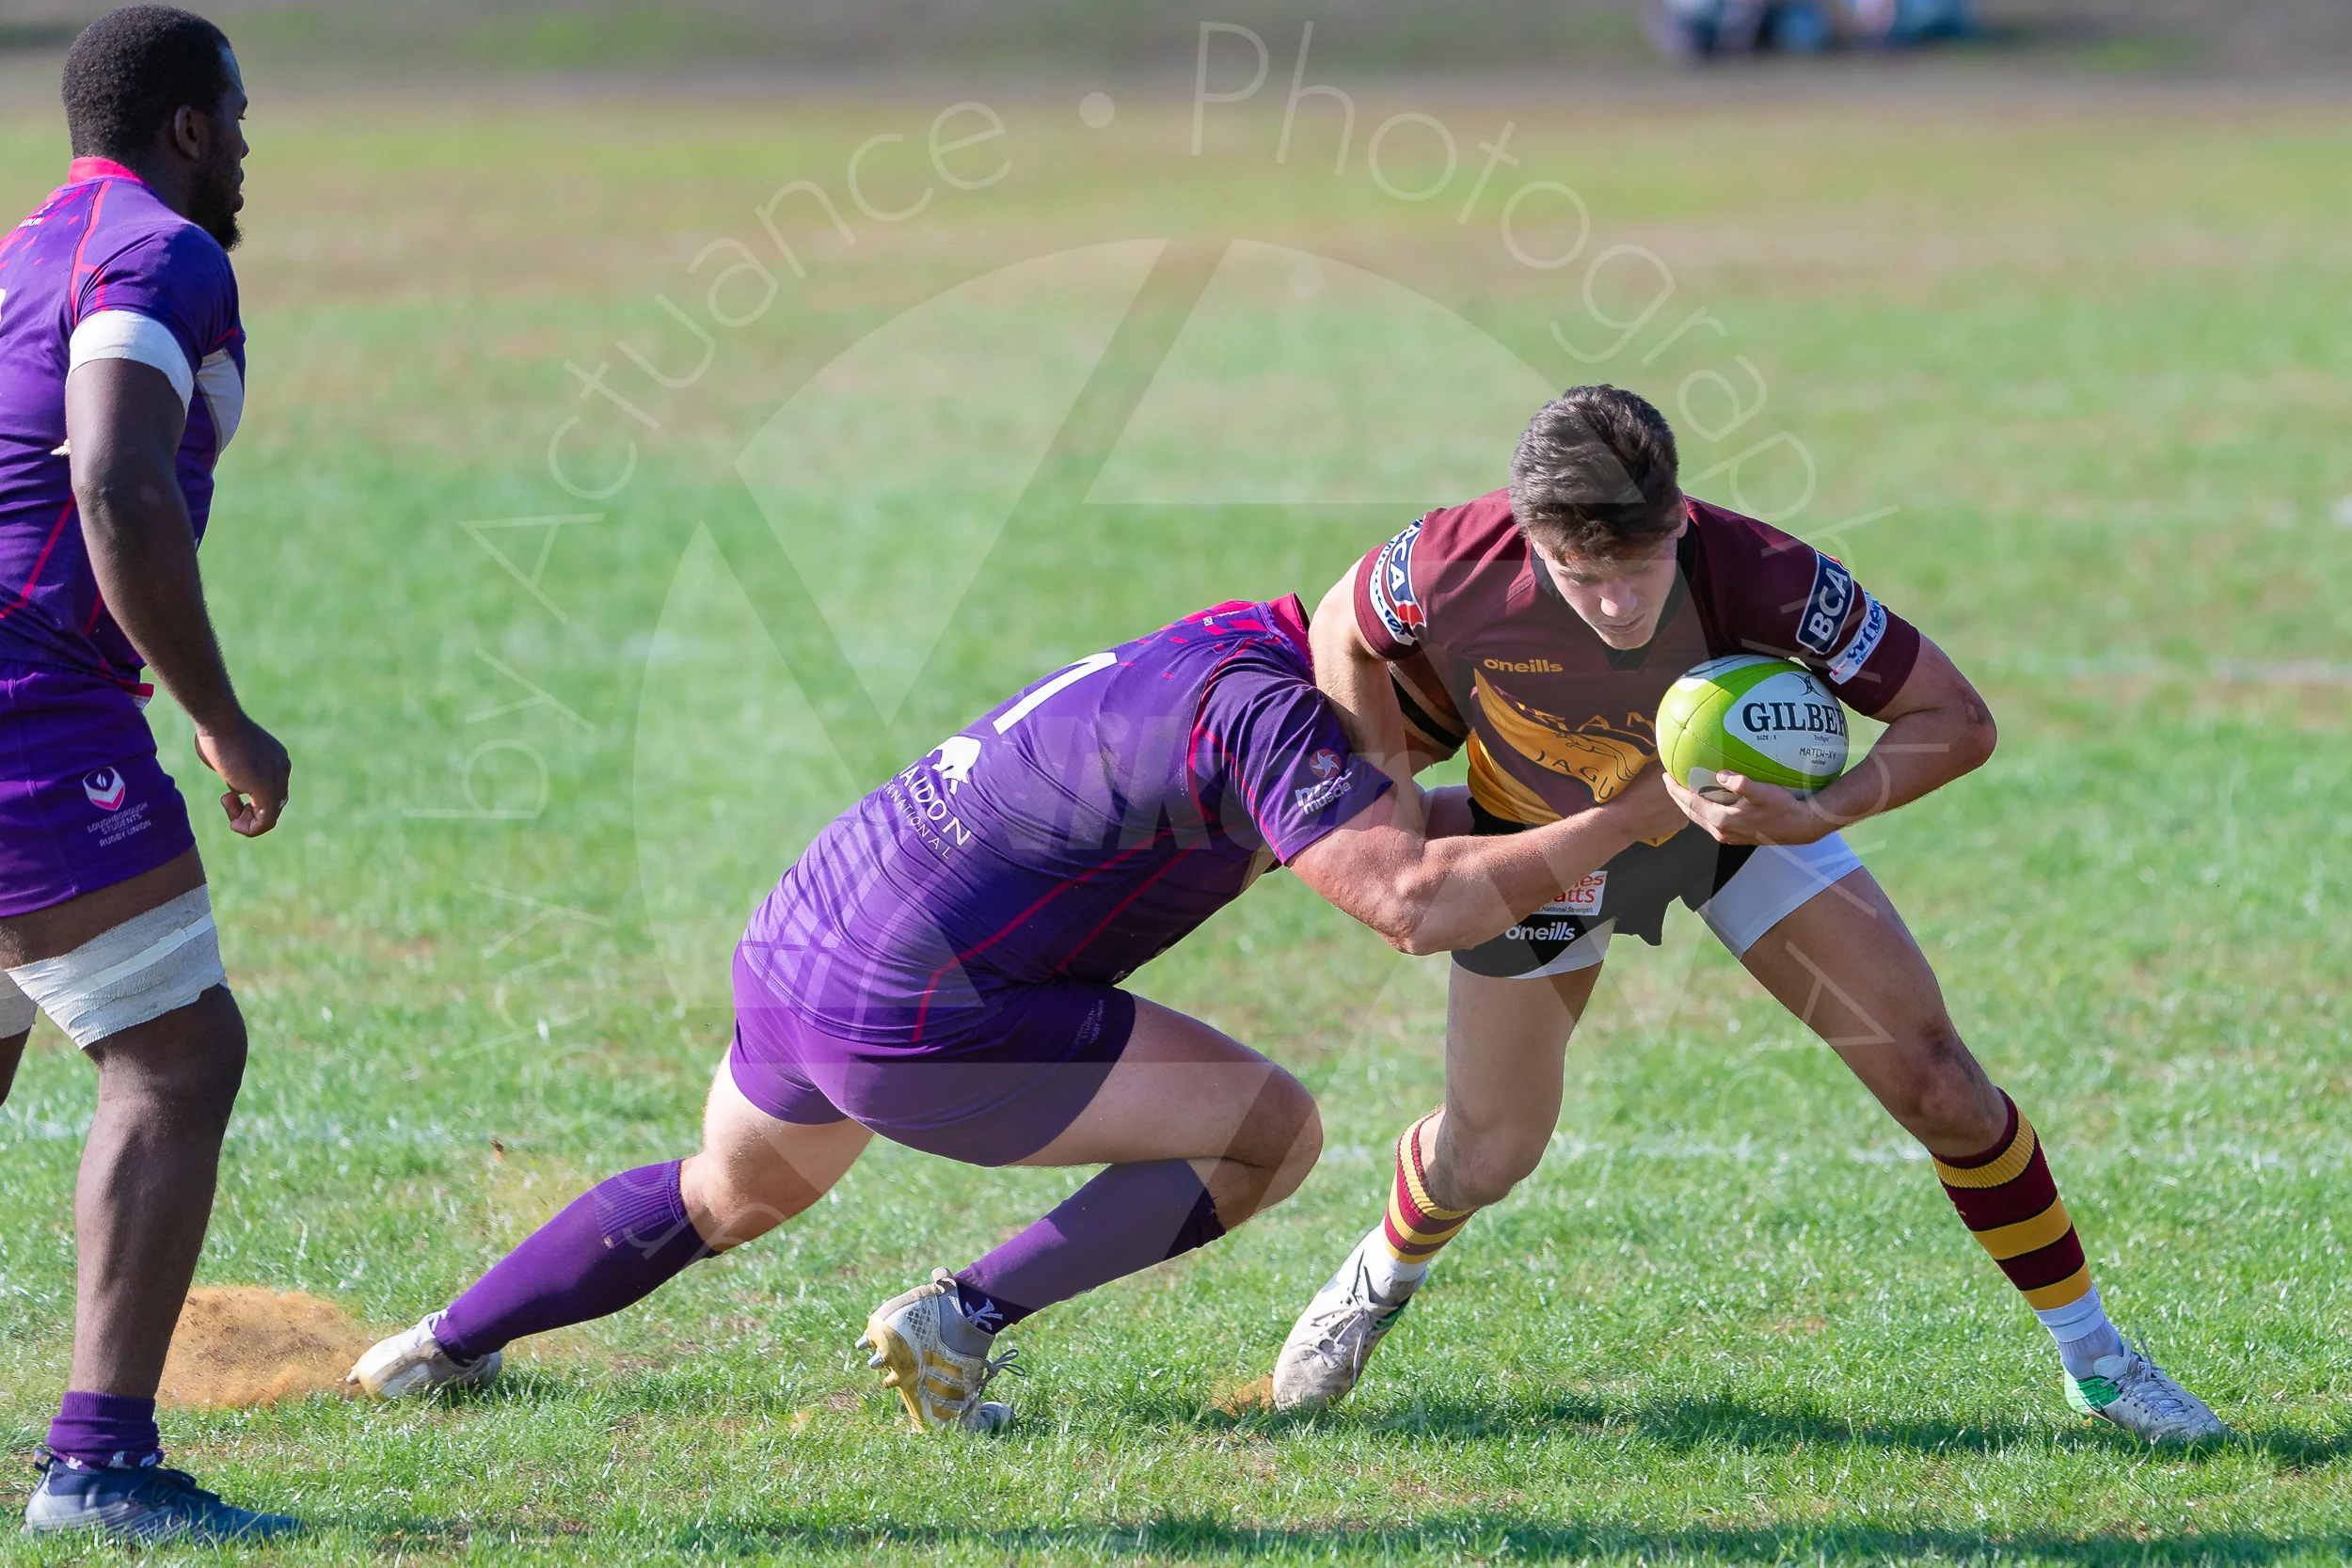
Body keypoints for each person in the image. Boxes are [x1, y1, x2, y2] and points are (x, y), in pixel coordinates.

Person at [350, 594, 1686, 1431]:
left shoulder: (1245, 647)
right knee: (1271, 1133)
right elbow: (1412, 896)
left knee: (727, 1191)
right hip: (915, 1005)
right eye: (1471, 722)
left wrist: (1572, 824)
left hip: (806, 936)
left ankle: (436, 1348)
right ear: (1409, 690)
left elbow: (1401, 825)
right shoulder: (1292, 733)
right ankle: (961, 1320)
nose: (1469, 751)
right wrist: (1632, 817)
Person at [1268, 385, 2225, 1445]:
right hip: (1551, 843)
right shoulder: (1450, 560)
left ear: (1678, 519)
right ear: (1531, 537)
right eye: (1581, 575)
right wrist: (1389, 793)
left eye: (1638, 568)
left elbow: (1956, 718)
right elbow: (1342, 623)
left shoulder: (1765, 575)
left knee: (1940, 1084)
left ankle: (2098, 1361)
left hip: (1739, 826)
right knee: (1489, 1151)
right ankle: (1379, 1273)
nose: (1615, 604)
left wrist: (1818, 808)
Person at [0, 5, 295, 1544]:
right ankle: (99, 1465)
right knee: (178, 1055)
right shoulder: (160, 251)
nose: (245, 146)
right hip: (31, 705)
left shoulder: (20, 251)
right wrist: (221, 716)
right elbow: (113, 478)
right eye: (235, 116)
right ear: (186, 123)